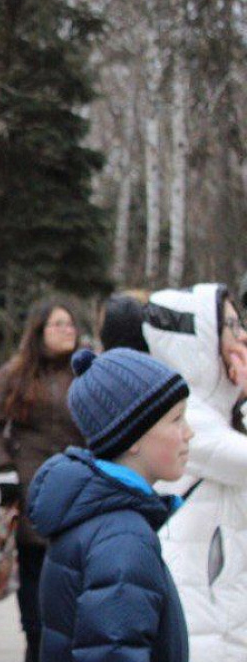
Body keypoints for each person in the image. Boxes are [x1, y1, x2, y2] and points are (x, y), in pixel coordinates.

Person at [28, 348, 193, 662]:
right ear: (132, 436)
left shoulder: (95, 516)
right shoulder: (123, 538)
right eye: (176, 419)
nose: (189, 432)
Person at [143, 283, 247, 661]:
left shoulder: (217, 412)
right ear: (200, 338)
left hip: (221, 599)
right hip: (198, 601)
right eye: (231, 326)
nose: (243, 336)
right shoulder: (187, 416)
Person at [0, 299, 84, 662]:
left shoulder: (85, 371)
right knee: (37, 593)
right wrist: (3, 469)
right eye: (58, 324)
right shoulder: (16, 372)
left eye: (70, 324)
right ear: (39, 332)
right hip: (31, 491)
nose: (67, 330)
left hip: (78, 489)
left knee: (75, 586)